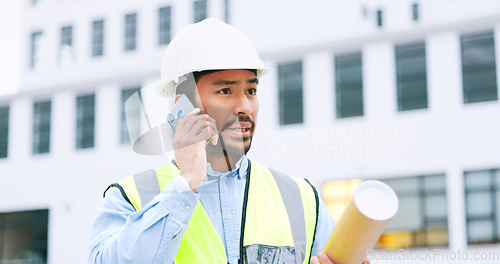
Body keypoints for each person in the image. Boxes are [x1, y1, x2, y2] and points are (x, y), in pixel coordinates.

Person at [89, 18, 365, 264]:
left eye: (251, 90)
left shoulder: (302, 199)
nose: (245, 106)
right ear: (182, 107)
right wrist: (185, 185)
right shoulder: (130, 198)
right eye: (225, 90)